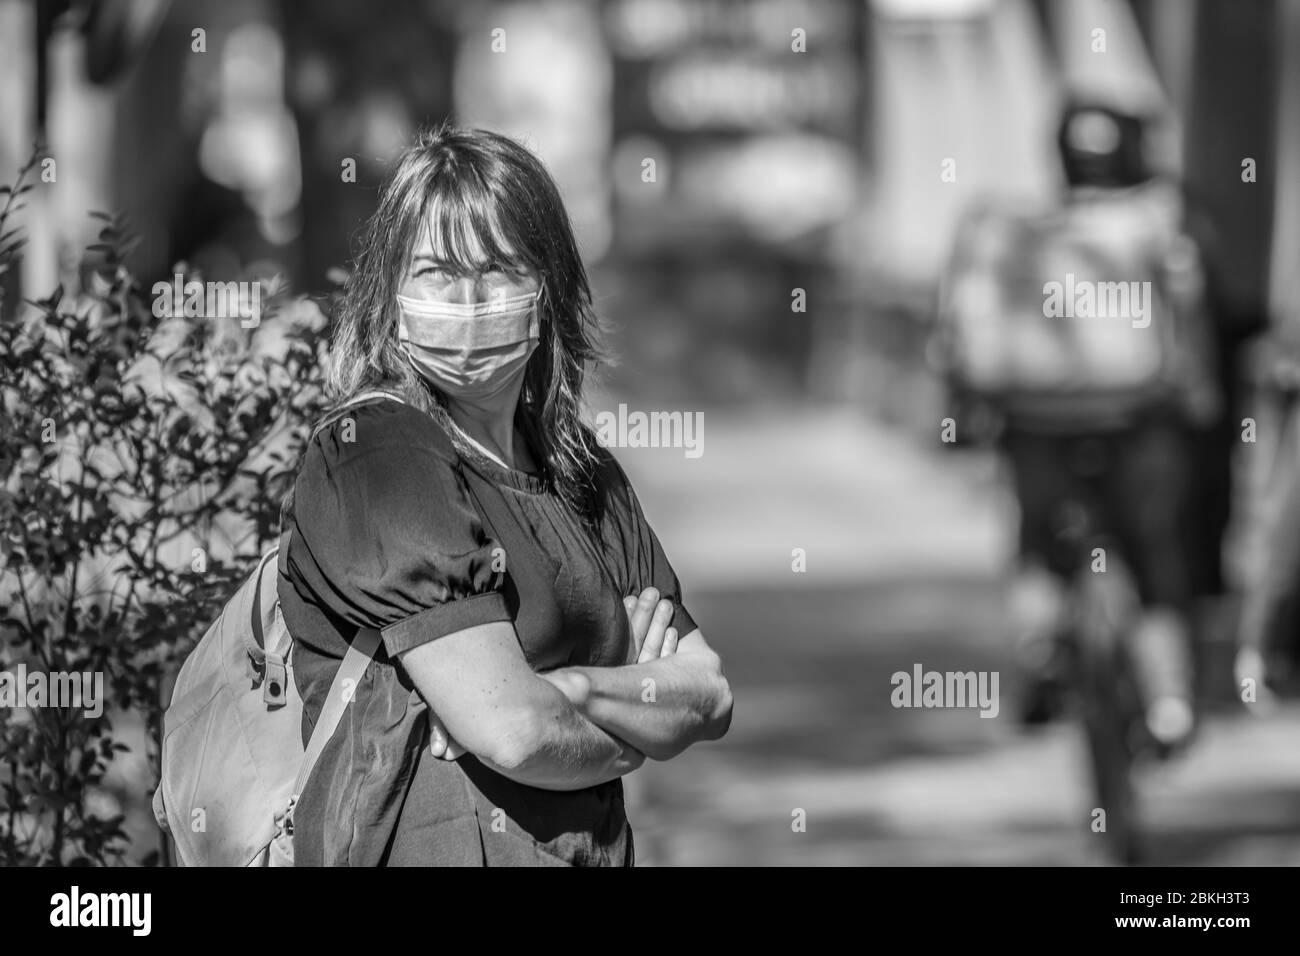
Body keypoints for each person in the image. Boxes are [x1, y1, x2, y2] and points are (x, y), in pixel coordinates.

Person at [277, 124, 733, 866]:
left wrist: (573, 688)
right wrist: (633, 701)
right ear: (389, 296)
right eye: (433, 272)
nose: (467, 299)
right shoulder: (380, 456)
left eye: (495, 268)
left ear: (545, 287)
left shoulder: (584, 473)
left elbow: (708, 695)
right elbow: (511, 731)